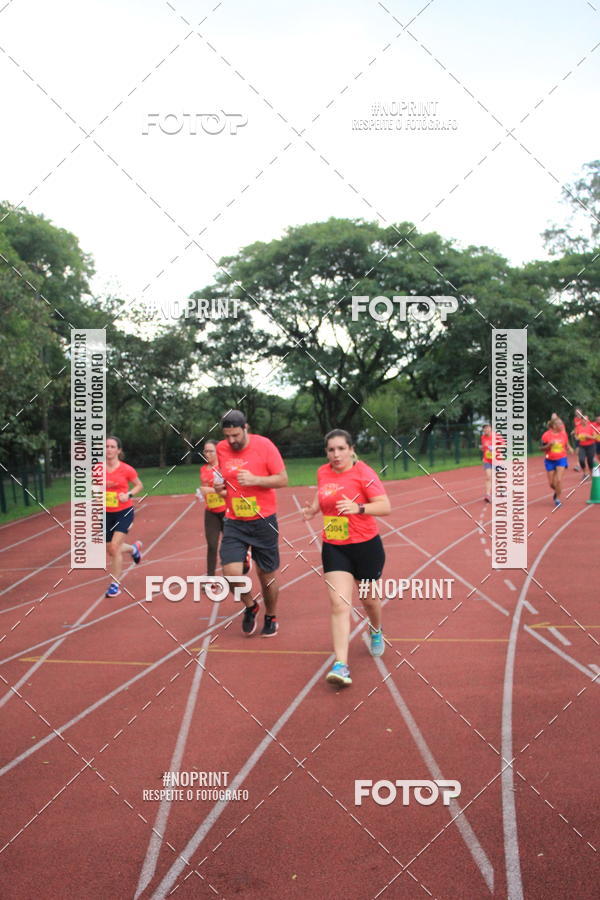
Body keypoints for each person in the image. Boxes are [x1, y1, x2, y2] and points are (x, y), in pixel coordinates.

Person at [302, 429, 391, 687]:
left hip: (365, 546)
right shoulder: (322, 472)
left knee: (369, 600)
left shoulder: (364, 473)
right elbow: (324, 494)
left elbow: (385, 506)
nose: (336, 454)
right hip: (334, 546)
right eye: (331, 450)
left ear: (351, 449)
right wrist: (313, 509)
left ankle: (376, 630)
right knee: (339, 604)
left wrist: (359, 508)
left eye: (341, 448)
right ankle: (341, 664)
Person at [216, 410, 287, 636]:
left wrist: (256, 480)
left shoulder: (265, 446)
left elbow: (283, 479)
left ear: (245, 428)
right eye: (227, 436)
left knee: (266, 575)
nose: (231, 441)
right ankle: (250, 606)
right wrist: (221, 488)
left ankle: (271, 615)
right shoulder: (221, 448)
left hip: (263, 520)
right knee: (230, 574)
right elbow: (224, 478)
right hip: (235, 520)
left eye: (235, 435)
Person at [104, 436, 143, 597]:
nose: (109, 450)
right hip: (105, 513)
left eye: (113, 447)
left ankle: (114, 585)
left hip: (124, 512)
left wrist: (128, 494)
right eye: (106, 446)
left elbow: (139, 485)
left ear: (119, 450)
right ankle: (133, 549)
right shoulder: (98, 470)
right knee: (111, 549)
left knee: (114, 547)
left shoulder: (127, 469)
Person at [198, 440, 227, 578]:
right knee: (212, 545)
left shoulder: (224, 468)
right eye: (205, 451)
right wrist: (200, 494)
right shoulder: (203, 469)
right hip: (211, 511)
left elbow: (229, 490)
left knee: (230, 544)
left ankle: (233, 574)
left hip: (226, 511)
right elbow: (204, 490)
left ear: (217, 452)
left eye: (210, 451)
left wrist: (209, 490)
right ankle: (210, 577)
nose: (207, 454)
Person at [540, 418, 573, 507]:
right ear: (554, 426)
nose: (562, 426)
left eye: (562, 424)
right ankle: (558, 490)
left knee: (558, 480)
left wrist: (569, 448)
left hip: (561, 459)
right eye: (560, 424)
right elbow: (541, 448)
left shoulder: (563, 434)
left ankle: (557, 498)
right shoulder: (546, 435)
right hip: (549, 460)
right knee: (552, 484)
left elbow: (566, 443)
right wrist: (549, 445)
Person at [480, 424, 506, 502]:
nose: (486, 430)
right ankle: (488, 495)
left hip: (497, 460)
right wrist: (483, 449)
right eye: (484, 429)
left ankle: (502, 490)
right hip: (487, 460)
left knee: (499, 478)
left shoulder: (497, 436)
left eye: (487, 428)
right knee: (488, 476)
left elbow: (504, 446)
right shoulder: (483, 437)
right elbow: (484, 447)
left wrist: (495, 448)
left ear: (491, 428)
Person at [573, 409, 597, 476]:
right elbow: (575, 435)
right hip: (582, 446)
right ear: (582, 420)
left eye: (586, 419)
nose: (585, 421)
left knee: (590, 460)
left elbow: (595, 437)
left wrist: (587, 436)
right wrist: (577, 437)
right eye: (583, 419)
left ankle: (591, 472)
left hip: (590, 445)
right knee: (581, 460)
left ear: (588, 420)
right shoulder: (578, 427)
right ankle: (584, 473)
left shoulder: (591, 427)